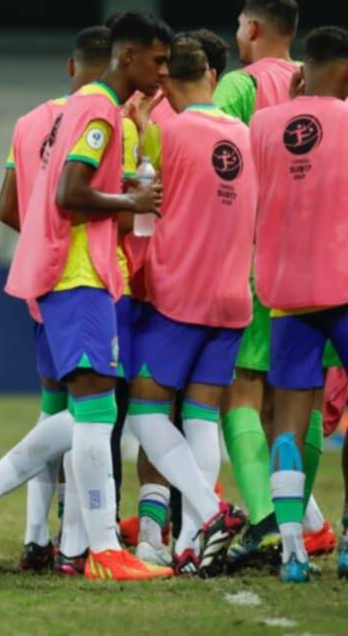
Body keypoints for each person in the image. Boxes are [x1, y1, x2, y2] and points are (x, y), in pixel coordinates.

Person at [0, 12, 179, 581]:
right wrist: (132, 203)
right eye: (157, 60)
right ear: (128, 58)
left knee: (81, 415)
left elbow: (35, 196)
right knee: (97, 416)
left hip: (58, 274)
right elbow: (72, 192)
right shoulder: (99, 111)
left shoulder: (72, 110)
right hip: (79, 274)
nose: (163, 71)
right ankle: (100, 548)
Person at [127, 34, 257, 575]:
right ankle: (189, 547)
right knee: (202, 418)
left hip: (180, 294)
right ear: (209, 74)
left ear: (164, 83)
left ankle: (207, 513)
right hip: (234, 297)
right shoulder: (246, 134)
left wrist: (138, 132)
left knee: (146, 411)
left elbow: (138, 197)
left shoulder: (166, 132)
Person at [0, 25, 114, 573]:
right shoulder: (108, 119)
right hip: (84, 274)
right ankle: (76, 544)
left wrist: (40, 230)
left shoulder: (29, 121)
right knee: (93, 413)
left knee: (53, 408)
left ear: (71, 67)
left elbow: (5, 206)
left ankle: (34, 539)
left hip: (39, 284)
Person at [250, 25, 348, 582]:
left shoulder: (263, 123)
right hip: (344, 284)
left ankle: (292, 551)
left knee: (287, 422)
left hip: (285, 289)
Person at [213, 0, 303, 567]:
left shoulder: (239, 87)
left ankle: (265, 519)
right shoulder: (316, 79)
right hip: (313, 265)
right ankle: (304, 520)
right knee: (296, 400)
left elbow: (217, 164)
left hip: (251, 258)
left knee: (239, 392)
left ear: (250, 27)